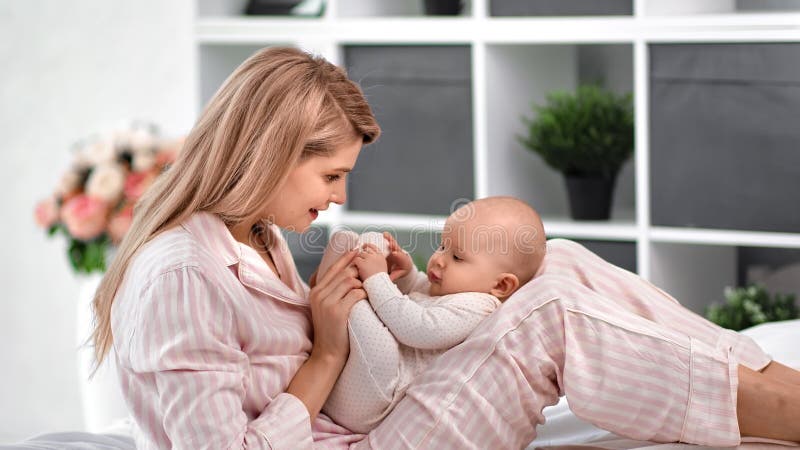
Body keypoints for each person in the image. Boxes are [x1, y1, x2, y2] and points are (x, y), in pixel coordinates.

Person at [89, 46, 800, 450]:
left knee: (554, 261)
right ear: (268, 151)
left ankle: (762, 376)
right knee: (546, 312)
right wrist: (328, 352)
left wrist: (397, 292)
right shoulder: (180, 276)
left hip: (374, 412)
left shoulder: (258, 236)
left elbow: (295, 350)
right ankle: (780, 410)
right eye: (330, 173)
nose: (337, 196)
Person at [319, 197, 546, 433]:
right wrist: (406, 273)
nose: (438, 258)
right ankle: (335, 292)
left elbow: (418, 327)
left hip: (375, 399)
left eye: (456, 257)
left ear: (501, 286)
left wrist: (377, 279)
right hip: (353, 373)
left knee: (378, 336)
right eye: (442, 246)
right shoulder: (449, 287)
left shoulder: (480, 308)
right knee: (368, 242)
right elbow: (417, 293)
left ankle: (335, 291)